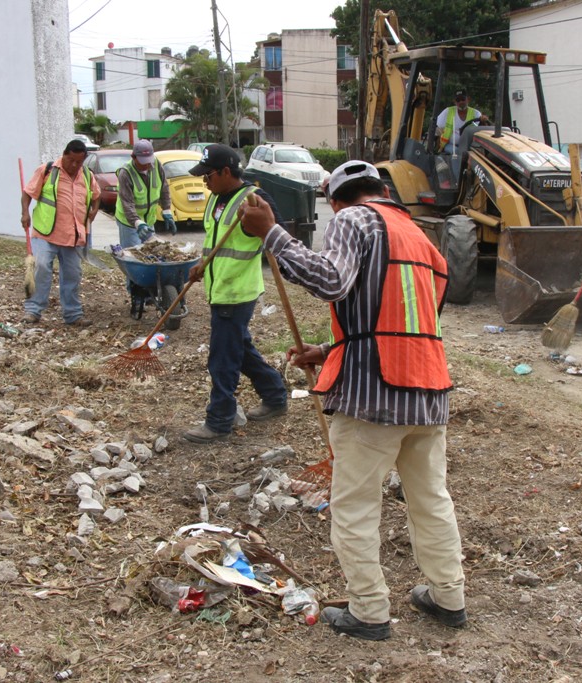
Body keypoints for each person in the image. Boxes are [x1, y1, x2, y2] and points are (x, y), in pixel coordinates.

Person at [239, 160, 467, 641]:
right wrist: (328, 350)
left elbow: (331, 282)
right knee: (430, 499)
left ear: (337, 199)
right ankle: (449, 597)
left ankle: (369, 611)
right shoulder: (423, 239)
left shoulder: (353, 219)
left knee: (355, 505)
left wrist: (271, 234)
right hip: (428, 388)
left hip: (374, 395)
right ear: (382, 190)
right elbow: (410, 317)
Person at [182, 144, 289, 444]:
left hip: (238, 292)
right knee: (239, 350)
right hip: (218, 287)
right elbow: (214, 240)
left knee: (222, 359)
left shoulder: (254, 198)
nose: (205, 181)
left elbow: (277, 233)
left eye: (208, 175)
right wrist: (202, 264)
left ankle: (219, 420)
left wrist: (257, 225)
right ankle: (275, 394)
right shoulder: (216, 199)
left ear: (226, 171)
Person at [21, 138, 100, 326]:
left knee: (72, 274)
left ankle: (72, 314)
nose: (74, 165)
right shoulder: (47, 170)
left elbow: (96, 196)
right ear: (64, 155)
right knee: (41, 267)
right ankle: (33, 310)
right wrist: (25, 213)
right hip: (45, 233)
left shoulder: (87, 175)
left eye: (79, 162)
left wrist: (94, 210)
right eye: (71, 160)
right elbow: (27, 193)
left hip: (73, 236)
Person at [114, 139, 175, 318]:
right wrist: (136, 223)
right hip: (129, 222)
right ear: (134, 157)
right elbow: (127, 202)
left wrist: (166, 210)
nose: (146, 167)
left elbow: (164, 188)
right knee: (134, 260)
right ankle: (136, 294)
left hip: (148, 220)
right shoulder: (126, 173)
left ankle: (149, 290)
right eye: (142, 164)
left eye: (148, 163)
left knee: (152, 255)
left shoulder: (156, 165)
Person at [436, 90, 486, 154]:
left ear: (468, 99)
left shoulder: (476, 114)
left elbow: (481, 130)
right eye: (458, 100)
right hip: (450, 145)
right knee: (457, 152)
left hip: (469, 146)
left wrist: (483, 121)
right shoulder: (448, 111)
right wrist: (438, 137)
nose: (461, 102)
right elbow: (436, 127)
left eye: (463, 99)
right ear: (454, 102)